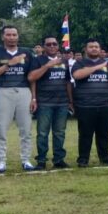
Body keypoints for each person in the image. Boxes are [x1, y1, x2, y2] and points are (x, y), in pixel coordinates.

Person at [0, 25, 39, 172]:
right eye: (8, 35)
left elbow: (32, 78)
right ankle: (1, 161)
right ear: (3, 37)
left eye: (14, 35)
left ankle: (26, 160)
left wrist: (34, 98)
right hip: (3, 91)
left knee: (26, 129)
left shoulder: (27, 53)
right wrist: (9, 64)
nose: (11, 37)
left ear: (18, 36)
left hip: (24, 91)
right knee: (1, 129)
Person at [70, 39, 108, 167]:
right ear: (86, 49)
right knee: (85, 134)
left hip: (105, 104)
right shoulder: (79, 63)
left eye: (96, 47)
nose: (94, 49)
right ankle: (83, 159)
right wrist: (97, 67)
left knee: (104, 133)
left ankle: (105, 157)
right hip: (85, 105)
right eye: (91, 47)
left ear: (100, 49)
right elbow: (77, 75)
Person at [27, 36, 72, 170]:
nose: (52, 46)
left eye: (54, 44)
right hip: (44, 102)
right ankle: (41, 160)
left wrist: (70, 101)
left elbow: (68, 82)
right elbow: (31, 78)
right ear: (44, 47)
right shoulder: (38, 60)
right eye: (49, 44)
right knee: (42, 133)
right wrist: (47, 66)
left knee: (59, 132)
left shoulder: (64, 61)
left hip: (62, 102)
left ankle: (58, 159)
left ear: (58, 46)